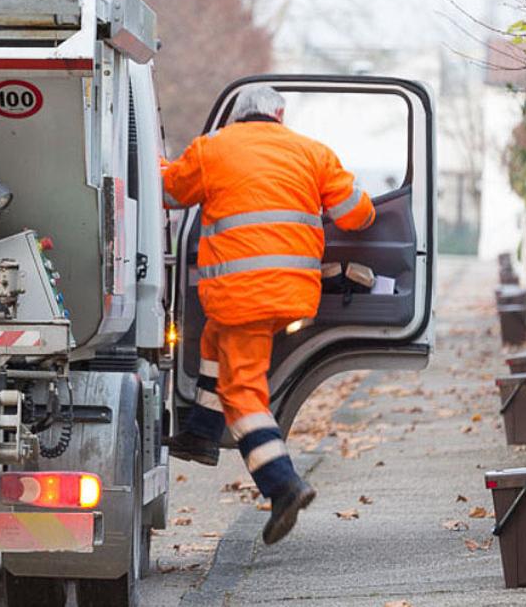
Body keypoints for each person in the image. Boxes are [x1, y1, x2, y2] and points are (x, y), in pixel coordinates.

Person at [161, 86, 376, 545]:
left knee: (243, 391)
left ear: (236, 116)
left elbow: (169, 191)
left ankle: (283, 485)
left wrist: (149, 160)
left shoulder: (212, 149)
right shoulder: (313, 152)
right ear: (279, 114)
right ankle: (200, 433)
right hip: (294, 294)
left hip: (242, 295)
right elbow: (358, 214)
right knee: (213, 342)